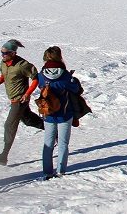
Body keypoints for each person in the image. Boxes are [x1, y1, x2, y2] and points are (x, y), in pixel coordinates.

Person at [0, 39, 44, 166]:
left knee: (9, 125)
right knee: (28, 120)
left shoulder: (22, 65)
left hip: (20, 100)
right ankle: (52, 129)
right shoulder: (3, 63)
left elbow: (35, 78)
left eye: (5, 53)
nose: (3, 55)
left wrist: (27, 94)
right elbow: (5, 75)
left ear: (13, 53)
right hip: (13, 98)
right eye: (1, 53)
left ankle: (3, 156)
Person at [37, 46, 82, 179]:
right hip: (64, 113)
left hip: (48, 113)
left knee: (48, 143)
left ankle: (47, 171)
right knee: (63, 143)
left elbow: (40, 86)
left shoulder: (41, 75)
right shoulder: (65, 75)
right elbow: (76, 89)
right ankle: (61, 170)